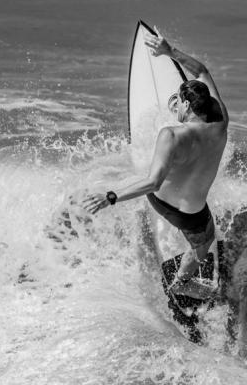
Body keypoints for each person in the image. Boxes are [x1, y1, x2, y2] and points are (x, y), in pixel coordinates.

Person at [82, 31, 229, 298]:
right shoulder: (221, 125)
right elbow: (202, 70)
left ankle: (172, 275)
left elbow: (153, 182)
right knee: (204, 244)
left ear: (184, 104)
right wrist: (171, 51)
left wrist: (110, 197)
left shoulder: (171, 135)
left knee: (156, 173)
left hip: (160, 201)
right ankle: (182, 283)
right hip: (192, 214)